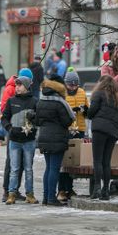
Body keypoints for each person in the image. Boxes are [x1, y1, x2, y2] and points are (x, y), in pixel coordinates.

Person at [36, 74, 75, 206]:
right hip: (57, 138)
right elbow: (67, 121)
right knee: (54, 168)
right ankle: (51, 199)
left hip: (44, 137)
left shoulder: (41, 100)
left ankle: (46, 197)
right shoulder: (59, 102)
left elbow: (37, 120)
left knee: (48, 168)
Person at [1, 75, 39, 205]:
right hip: (14, 141)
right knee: (14, 168)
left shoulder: (35, 102)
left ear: (27, 87)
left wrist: (34, 118)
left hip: (29, 141)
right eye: (16, 85)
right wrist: (9, 128)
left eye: (19, 85)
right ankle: (11, 194)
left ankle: (30, 194)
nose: (16, 87)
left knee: (28, 169)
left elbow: (39, 120)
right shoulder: (11, 101)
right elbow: (4, 117)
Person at [87, 75, 118, 200]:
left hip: (99, 130)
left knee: (97, 160)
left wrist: (86, 110)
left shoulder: (98, 94)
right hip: (112, 133)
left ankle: (97, 188)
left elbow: (91, 113)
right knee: (106, 162)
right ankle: (106, 190)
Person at [57, 69, 89, 202]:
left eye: (76, 85)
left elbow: (88, 110)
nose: (74, 88)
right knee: (65, 161)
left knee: (74, 162)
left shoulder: (82, 93)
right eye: (71, 85)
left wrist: (85, 110)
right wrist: (72, 111)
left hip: (79, 129)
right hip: (67, 130)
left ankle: (69, 189)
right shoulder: (62, 94)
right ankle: (61, 189)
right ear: (66, 84)